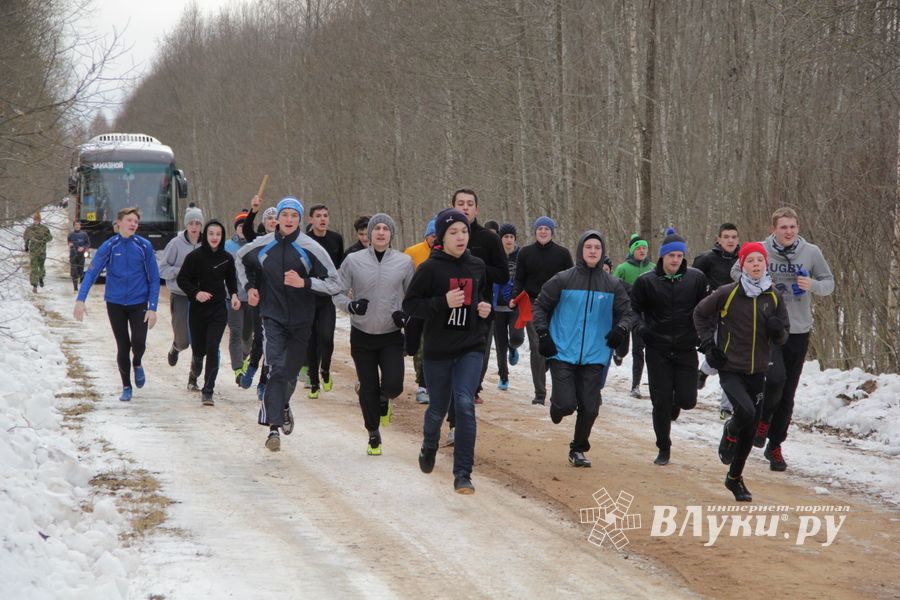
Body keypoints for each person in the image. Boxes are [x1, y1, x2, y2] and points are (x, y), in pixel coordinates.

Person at [239, 197, 342, 451]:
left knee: (291, 374)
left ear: (299, 219)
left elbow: (334, 283)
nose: (288, 220)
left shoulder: (311, 248)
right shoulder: (262, 245)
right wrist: (250, 288)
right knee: (275, 366)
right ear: (277, 218)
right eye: (284, 215)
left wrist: (305, 283)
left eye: (293, 216)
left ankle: (283, 405)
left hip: (301, 320)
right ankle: (273, 429)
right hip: (272, 316)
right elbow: (240, 260)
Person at [403, 208, 491, 494]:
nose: (460, 237)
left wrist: (484, 309)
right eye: (453, 232)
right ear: (441, 237)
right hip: (438, 350)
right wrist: (442, 302)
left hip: (471, 347)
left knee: (464, 404)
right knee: (438, 408)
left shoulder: (477, 265)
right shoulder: (430, 268)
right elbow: (411, 306)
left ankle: (463, 474)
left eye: (464, 231)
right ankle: (429, 446)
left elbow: (482, 299)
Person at [740, 207, 834, 472]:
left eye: (792, 227)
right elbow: (737, 273)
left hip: (799, 329)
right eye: (783, 227)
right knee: (775, 380)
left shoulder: (811, 252)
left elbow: (829, 283)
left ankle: (775, 445)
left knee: (788, 393)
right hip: (768, 327)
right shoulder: (759, 249)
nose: (788, 232)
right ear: (774, 229)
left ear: (798, 227)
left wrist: (812, 285)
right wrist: (758, 280)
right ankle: (763, 419)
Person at [694, 242, 789, 501]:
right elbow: (700, 314)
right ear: (742, 265)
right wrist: (707, 345)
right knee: (745, 413)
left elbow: (783, 336)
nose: (756, 264)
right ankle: (729, 431)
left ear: (765, 264)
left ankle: (734, 479)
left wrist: (777, 330)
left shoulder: (773, 297)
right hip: (730, 367)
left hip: (758, 370)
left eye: (760, 260)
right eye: (751, 260)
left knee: (751, 427)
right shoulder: (728, 293)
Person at [533, 230, 635, 467]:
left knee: (590, 407)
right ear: (580, 250)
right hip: (563, 352)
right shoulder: (563, 279)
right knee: (566, 404)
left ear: (602, 253)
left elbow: (628, 313)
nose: (592, 251)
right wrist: (543, 334)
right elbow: (540, 306)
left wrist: (620, 329)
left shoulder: (612, 284)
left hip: (595, 354)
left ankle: (578, 449)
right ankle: (557, 408)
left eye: (597, 248)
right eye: (588, 247)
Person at [334, 213, 414, 455]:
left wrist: (405, 315)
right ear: (369, 234)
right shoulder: (353, 260)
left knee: (393, 386)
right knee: (367, 387)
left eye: (385, 229)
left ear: (391, 234)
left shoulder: (404, 262)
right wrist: (350, 306)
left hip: (391, 334)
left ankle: (383, 399)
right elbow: (336, 291)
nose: (380, 232)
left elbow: (414, 297)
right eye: (376, 228)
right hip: (362, 334)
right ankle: (373, 434)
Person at [630, 228, 709, 466]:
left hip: (686, 348)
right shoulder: (646, 281)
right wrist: (642, 330)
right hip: (657, 349)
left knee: (687, 401)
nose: (675, 259)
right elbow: (633, 311)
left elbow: (706, 309)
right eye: (671, 255)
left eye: (679, 255)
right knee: (660, 402)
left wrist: (704, 336)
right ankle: (663, 447)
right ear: (662, 256)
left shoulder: (696, 279)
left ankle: (676, 404)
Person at [73, 207, 160, 401]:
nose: (133, 225)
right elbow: (92, 272)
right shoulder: (110, 246)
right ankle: (126, 386)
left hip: (139, 303)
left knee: (138, 343)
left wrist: (152, 307)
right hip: (115, 303)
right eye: (129, 221)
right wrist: (81, 299)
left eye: (136, 222)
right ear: (118, 222)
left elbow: (154, 279)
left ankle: (137, 362)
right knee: (123, 345)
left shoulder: (144, 246)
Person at [450, 189, 507, 407]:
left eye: (470, 204)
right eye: (460, 203)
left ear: (477, 209)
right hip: (452, 305)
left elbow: (502, 274)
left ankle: (470, 391)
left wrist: (477, 270)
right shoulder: (443, 236)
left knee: (478, 355)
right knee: (453, 356)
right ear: (453, 206)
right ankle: (456, 395)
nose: (465, 207)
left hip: (482, 307)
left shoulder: (489, 238)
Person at [509, 216, 574, 405]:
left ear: (552, 232)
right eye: (540, 229)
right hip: (532, 303)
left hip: (556, 304)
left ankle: (558, 392)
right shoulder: (526, 253)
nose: (543, 231)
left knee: (553, 347)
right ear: (535, 231)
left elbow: (570, 279)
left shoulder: (562, 253)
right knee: (537, 346)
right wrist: (514, 296)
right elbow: (519, 279)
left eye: (547, 228)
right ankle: (540, 393)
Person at [177, 219, 241, 406]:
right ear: (206, 235)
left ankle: (208, 391)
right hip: (197, 309)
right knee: (199, 351)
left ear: (222, 237)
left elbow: (231, 281)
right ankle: (194, 374)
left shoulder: (227, 258)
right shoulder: (195, 257)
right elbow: (182, 279)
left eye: (218, 234)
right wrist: (196, 293)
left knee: (213, 348)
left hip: (218, 309)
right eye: (211, 233)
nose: (215, 237)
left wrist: (235, 295)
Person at [692, 223, 741, 417]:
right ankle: (706, 372)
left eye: (734, 237)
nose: (730, 240)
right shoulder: (706, 259)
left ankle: (725, 404)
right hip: (713, 316)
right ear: (718, 239)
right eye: (726, 237)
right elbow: (693, 282)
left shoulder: (744, 259)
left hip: (738, 316)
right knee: (721, 355)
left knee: (730, 360)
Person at [159, 204, 203, 385]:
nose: (194, 226)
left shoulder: (207, 243)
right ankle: (176, 347)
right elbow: (162, 268)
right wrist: (180, 271)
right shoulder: (175, 244)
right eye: (191, 223)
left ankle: (193, 378)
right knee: (184, 339)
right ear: (186, 225)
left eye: (198, 223)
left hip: (201, 296)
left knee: (199, 340)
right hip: (180, 295)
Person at [305, 203, 344, 397]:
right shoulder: (304, 240)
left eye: (325, 215)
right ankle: (313, 383)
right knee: (311, 341)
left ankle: (325, 370)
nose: (322, 219)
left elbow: (340, 268)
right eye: (318, 216)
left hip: (327, 296)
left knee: (327, 338)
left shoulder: (336, 239)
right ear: (311, 219)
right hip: (309, 295)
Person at [241, 204, 278, 397]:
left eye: (275, 218)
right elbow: (247, 229)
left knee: (271, 341)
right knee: (259, 338)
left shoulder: (284, 242)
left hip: (277, 298)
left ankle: (263, 383)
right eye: (269, 218)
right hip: (258, 296)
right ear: (264, 223)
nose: (273, 221)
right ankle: (252, 366)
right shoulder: (256, 240)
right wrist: (253, 210)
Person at [611, 234, 654, 398]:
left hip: (643, 314)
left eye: (644, 248)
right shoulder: (623, 268)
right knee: (623, 347)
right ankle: (618, 353)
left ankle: (635, 385)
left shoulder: (653, 267)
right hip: (625, 312)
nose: (642, 250)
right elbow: (613, 286)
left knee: (639, 349)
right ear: (632, 251)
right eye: (639, 248)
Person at [224, 199, 259, 385]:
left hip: (252, 298)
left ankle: (244, 357)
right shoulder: (227, 246)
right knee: (236, 333)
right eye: (240, 225)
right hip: (234, 296)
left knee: (248, 337)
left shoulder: (256, 245)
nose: (242, 228)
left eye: (246, 225)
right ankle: (238, 369)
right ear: (236, 227)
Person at [404, 218, 437, 404]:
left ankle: (424, 385)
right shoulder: (412, 252)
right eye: (432, 235)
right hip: (416, 306)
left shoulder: (446, 253)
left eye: (437, 235)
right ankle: (421, 378)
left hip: (435, 308)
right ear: (426, 236)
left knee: (428, 345)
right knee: (415, 347)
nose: (435, 238)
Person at [493, 223, 524, 390]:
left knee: (517, 338)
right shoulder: (495, 255)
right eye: (506, 237)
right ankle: (503, 377)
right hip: (497, 307)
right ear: (501, 239)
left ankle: (514, 347)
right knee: (500, 345)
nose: (509, 240)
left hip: (515, 306)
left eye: (512, 237)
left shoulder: (521, 255)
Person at [24, 212, 52, 293]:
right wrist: (26, 246)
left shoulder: (44, 228)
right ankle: (34, 285)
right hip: (33, 251)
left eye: (38, 219)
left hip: (42, 251)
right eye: (35, 219)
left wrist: (43, 240)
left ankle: (41, 278)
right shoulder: (29, 229)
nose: (36, 221)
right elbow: (26, 238)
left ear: (40, 220)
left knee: (41, 266)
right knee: (34, 268)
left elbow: (50, 237)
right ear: (33, 220)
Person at [67, 220, 90, 292]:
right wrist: (70, 244)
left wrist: (83, 247)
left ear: (80, 226)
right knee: (74, 271)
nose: (77, 226)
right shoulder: (70, 234)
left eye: (78, 225)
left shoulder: (84, 234)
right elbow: (69, 242)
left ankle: (79, 277)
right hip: (73, 254)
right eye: (76, 225)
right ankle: (75, 288)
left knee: (80, 271)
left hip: (81, 255)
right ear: (74, 226)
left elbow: (88, 243)